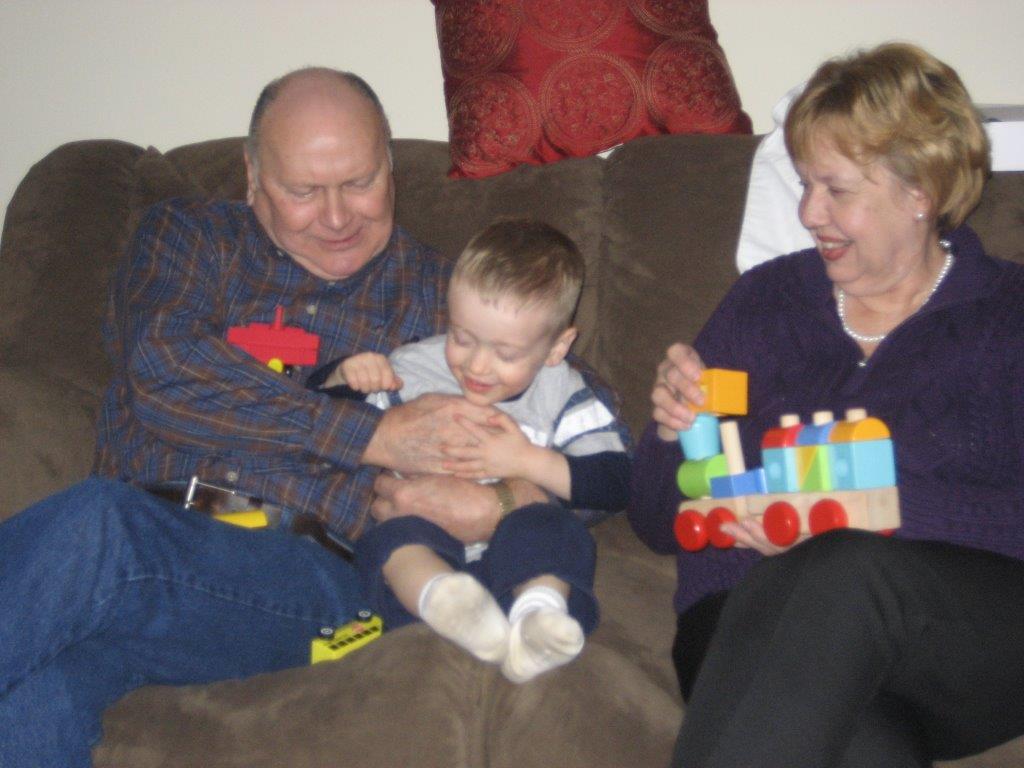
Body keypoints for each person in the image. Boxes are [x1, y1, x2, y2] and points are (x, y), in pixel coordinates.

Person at [0, 68, 580, 768]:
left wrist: (501, 503)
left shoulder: (453, 303)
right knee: (43, 694)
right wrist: (373, 435)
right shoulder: (188, 236)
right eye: (303, 191)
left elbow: (598, 443)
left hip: (312, 577)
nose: (337, 218)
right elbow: (162, 368)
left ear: (390, 168)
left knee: (99, 527)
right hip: (152, 543)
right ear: (252, 177)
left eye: (360, 183)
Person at [627, 43, 1024, 767]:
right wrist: (673, 431)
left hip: (962, 631)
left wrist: (861, 510)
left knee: (842, 566)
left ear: (919, 192)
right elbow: (656, 521)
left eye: (835, 189)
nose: (809, 212)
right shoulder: (767, 300)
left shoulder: (1009, 315)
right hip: (747, 625)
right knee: (863, 748)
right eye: (805, 183)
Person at [309, 219, 630, 682]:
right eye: (462, 338)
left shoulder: (562, 392)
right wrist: (340, 378)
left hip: (517, 549)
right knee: (389, 539)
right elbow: (326, 424)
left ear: (557, 347)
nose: (477, 366)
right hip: (426, 549)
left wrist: (527, 461)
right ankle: (447, 602)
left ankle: (537, 616)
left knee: (556, 529)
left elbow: (616, 481)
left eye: (506, 353)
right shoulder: (415, 367)